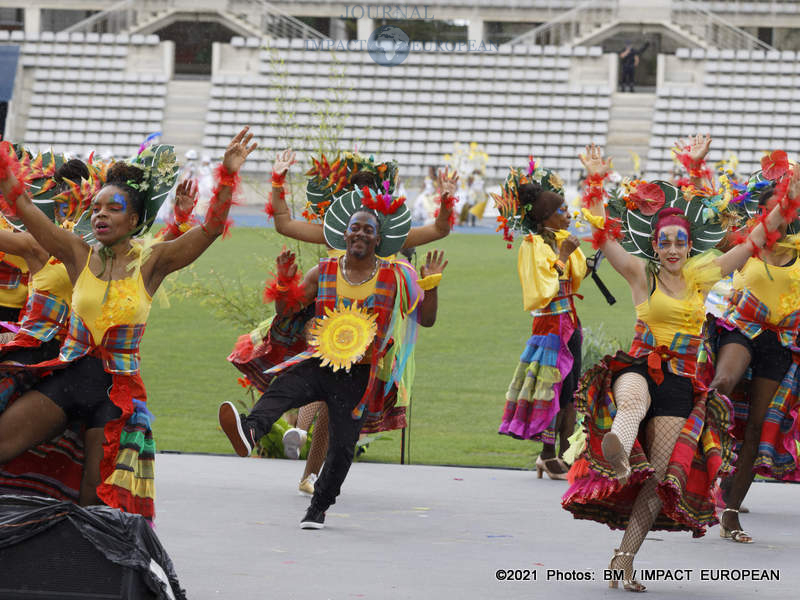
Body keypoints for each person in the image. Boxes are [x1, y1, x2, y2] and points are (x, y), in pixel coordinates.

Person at [562, 144, 798, 591]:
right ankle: (619, 454)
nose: (672, 249)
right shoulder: (641, 275)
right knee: (633, 402)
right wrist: (594, 180)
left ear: (690, 245)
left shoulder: (702, 276)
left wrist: (789, 200)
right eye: (665, 242)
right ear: (654, 245)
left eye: (679, 242)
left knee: (659, 477)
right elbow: (603, 235)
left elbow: (755, 239)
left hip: (680, 382)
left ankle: (624, 558)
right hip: (638, 365)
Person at [0, 127, 256, 519]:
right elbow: (26, 209)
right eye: (96, 208)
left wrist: (228, 174)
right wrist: (5, 169)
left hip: (116, 396)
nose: (100, 214)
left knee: (94, 503)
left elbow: (210, 229)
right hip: (69, 376)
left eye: (112, 208)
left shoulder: (154, 263)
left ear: (134, 218)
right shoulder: (77, 253)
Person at [220, 182, 446, 530]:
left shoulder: (396, 276)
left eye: (368, 230)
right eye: (355, 227)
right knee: (281, 391)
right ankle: (249, 433)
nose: (360, 233)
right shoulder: (323, 271)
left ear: (378, 239)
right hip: (319, 363)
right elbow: (287, 310)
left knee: (342, 448)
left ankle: (318, 508)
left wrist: (431, 286)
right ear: (345, 233)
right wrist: (284, 282)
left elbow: (426, 320)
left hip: (359, 376)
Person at [495, 161, 585, 479]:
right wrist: (564, 255)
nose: (568, 214)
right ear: (546, 216)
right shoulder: (532, 246)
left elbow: (573, 278)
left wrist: (573, 256)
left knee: (570, 391)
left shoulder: (558, 239)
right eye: (562, 210)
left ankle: (564, 455)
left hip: (569, 322)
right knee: (552, 391)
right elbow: (544, 288)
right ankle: (548, 455)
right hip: (551, 326)